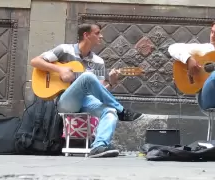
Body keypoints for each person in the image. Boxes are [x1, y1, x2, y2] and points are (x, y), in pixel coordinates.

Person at [30, 23, 144, 158]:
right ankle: (122, 111)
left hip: (88, 102)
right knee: (87, 76)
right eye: (97, 33)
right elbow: (35, 61)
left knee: (110, 111)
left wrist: (112, 83)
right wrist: (60, 69)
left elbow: (100, 91)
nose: (101, 36)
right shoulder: (65, 50)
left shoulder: (98, 61)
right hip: (66, 101)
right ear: (86, 35)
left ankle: (99, 146)